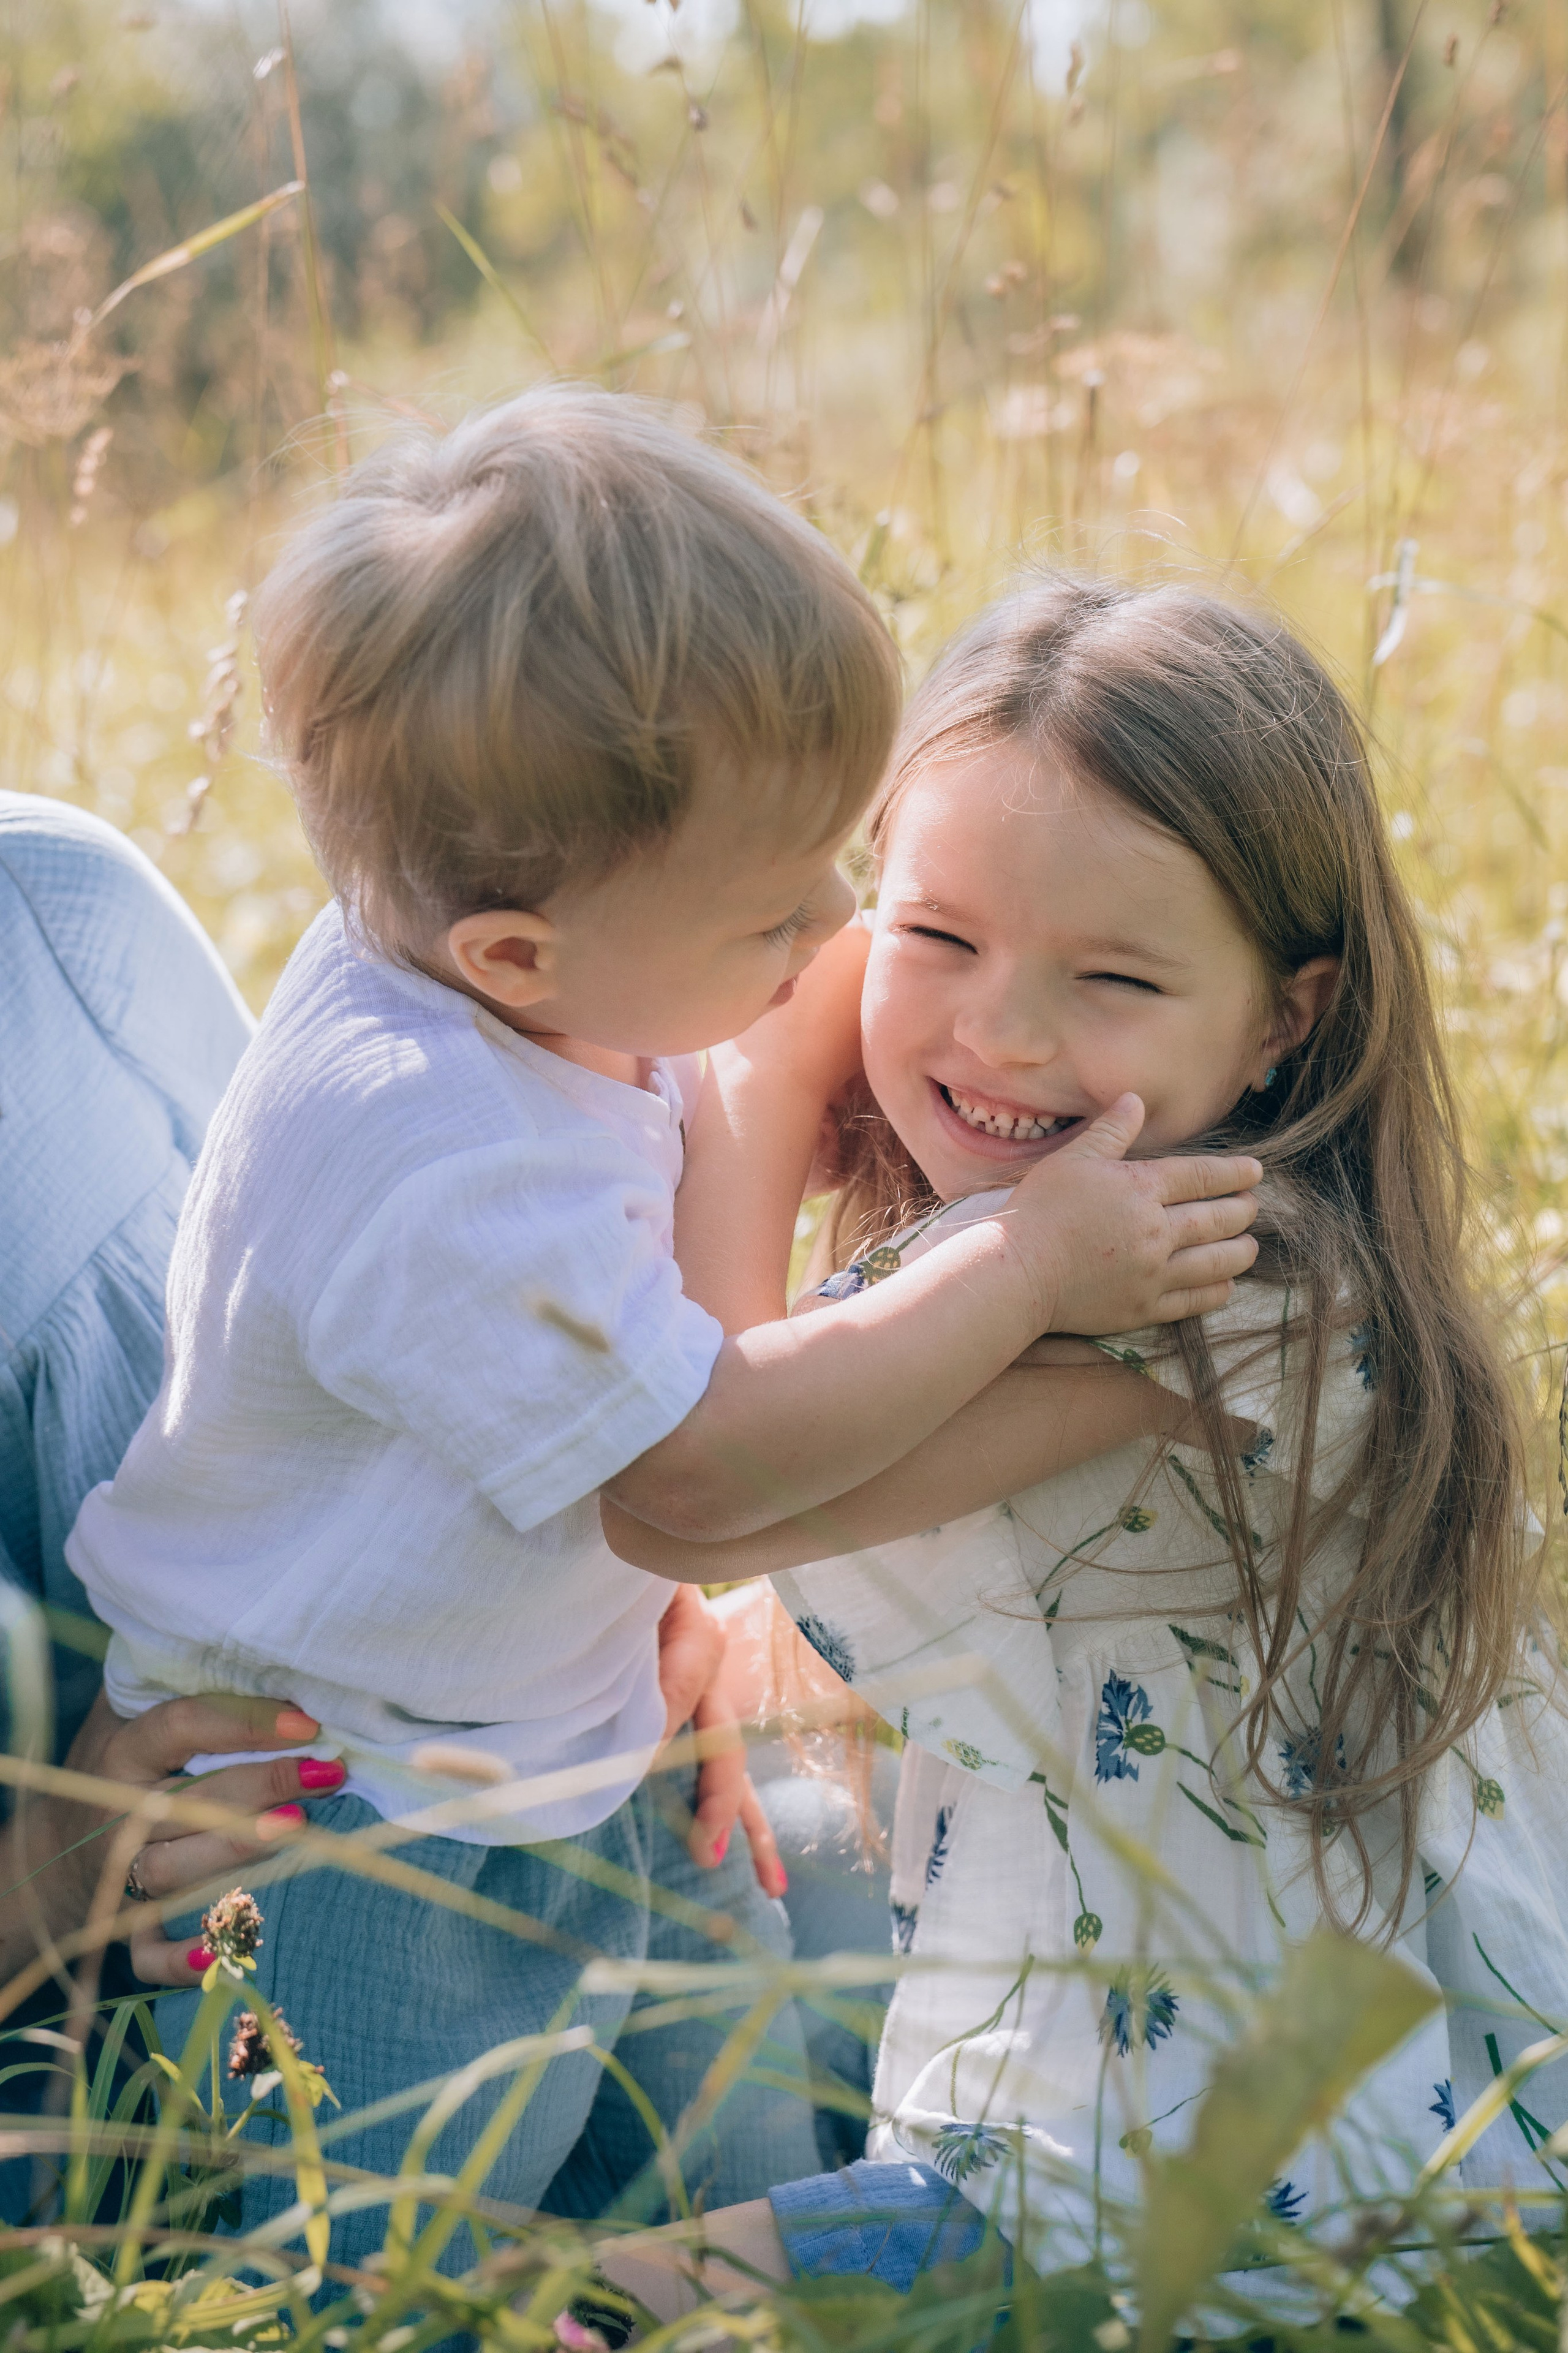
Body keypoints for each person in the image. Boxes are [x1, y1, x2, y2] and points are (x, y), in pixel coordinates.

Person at [65, 400, 1262, 2266]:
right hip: (357, 1832)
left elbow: (684, 1184)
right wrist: (1026, 1271)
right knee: (380, 2261)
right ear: (513, 957)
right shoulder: (428, 1153)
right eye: (780, 906)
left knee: (710, 2198)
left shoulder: (537, 955)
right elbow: (694, 1462)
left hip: (571, 1737)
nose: (843, 921)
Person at [599, 575, 1566, 2332]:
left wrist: (784, 1045)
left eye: (1112, 977)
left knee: (556, 2311)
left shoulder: (1214, 1279)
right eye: (938, 940)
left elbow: (688, 1479)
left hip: (1216, 2205)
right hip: (1103, 2128)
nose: (1004, 1036)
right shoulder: (1090, 1228)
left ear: (1288, 1013)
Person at [0, 790, 798, 2223]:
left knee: (856, 2016)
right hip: (234, 1916)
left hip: (450, 1755)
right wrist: (37, 1893)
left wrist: (584, 1584)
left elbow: (377, 1333)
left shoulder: (46, 908)